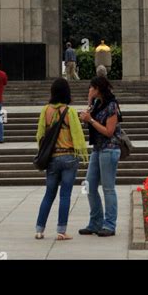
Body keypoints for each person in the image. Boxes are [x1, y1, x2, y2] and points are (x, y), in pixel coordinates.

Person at [35, 78, 88, 240]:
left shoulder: (46, 110)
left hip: (52, 158)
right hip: (69, 157)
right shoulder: (70, 112)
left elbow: (40, 135)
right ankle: (61, 231)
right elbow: (77, 135)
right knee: (65, 195)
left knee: (49, 194)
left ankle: (39, 229)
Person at [79, 76, 122, 236]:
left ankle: (110, 225)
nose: (89, 90)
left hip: (109, 149)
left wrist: (90, 120)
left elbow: (109, 131)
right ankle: (95, 222)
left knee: (108, 188)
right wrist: (89, 102)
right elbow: (90, 120)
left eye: (91, 88)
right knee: (89, 186)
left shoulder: (112, 105)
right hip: (97, 149)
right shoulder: (97, 103)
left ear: (98, 88)